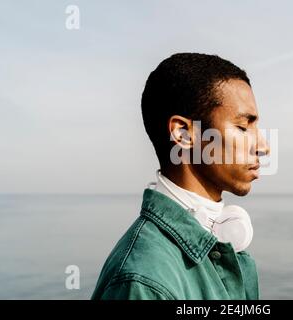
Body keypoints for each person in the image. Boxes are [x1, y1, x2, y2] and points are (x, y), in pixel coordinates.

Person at [91, 53, 270, 300]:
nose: (263, 146)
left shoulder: (216, 246)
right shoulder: (144, 281)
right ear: (184, 134)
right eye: (242, 127)